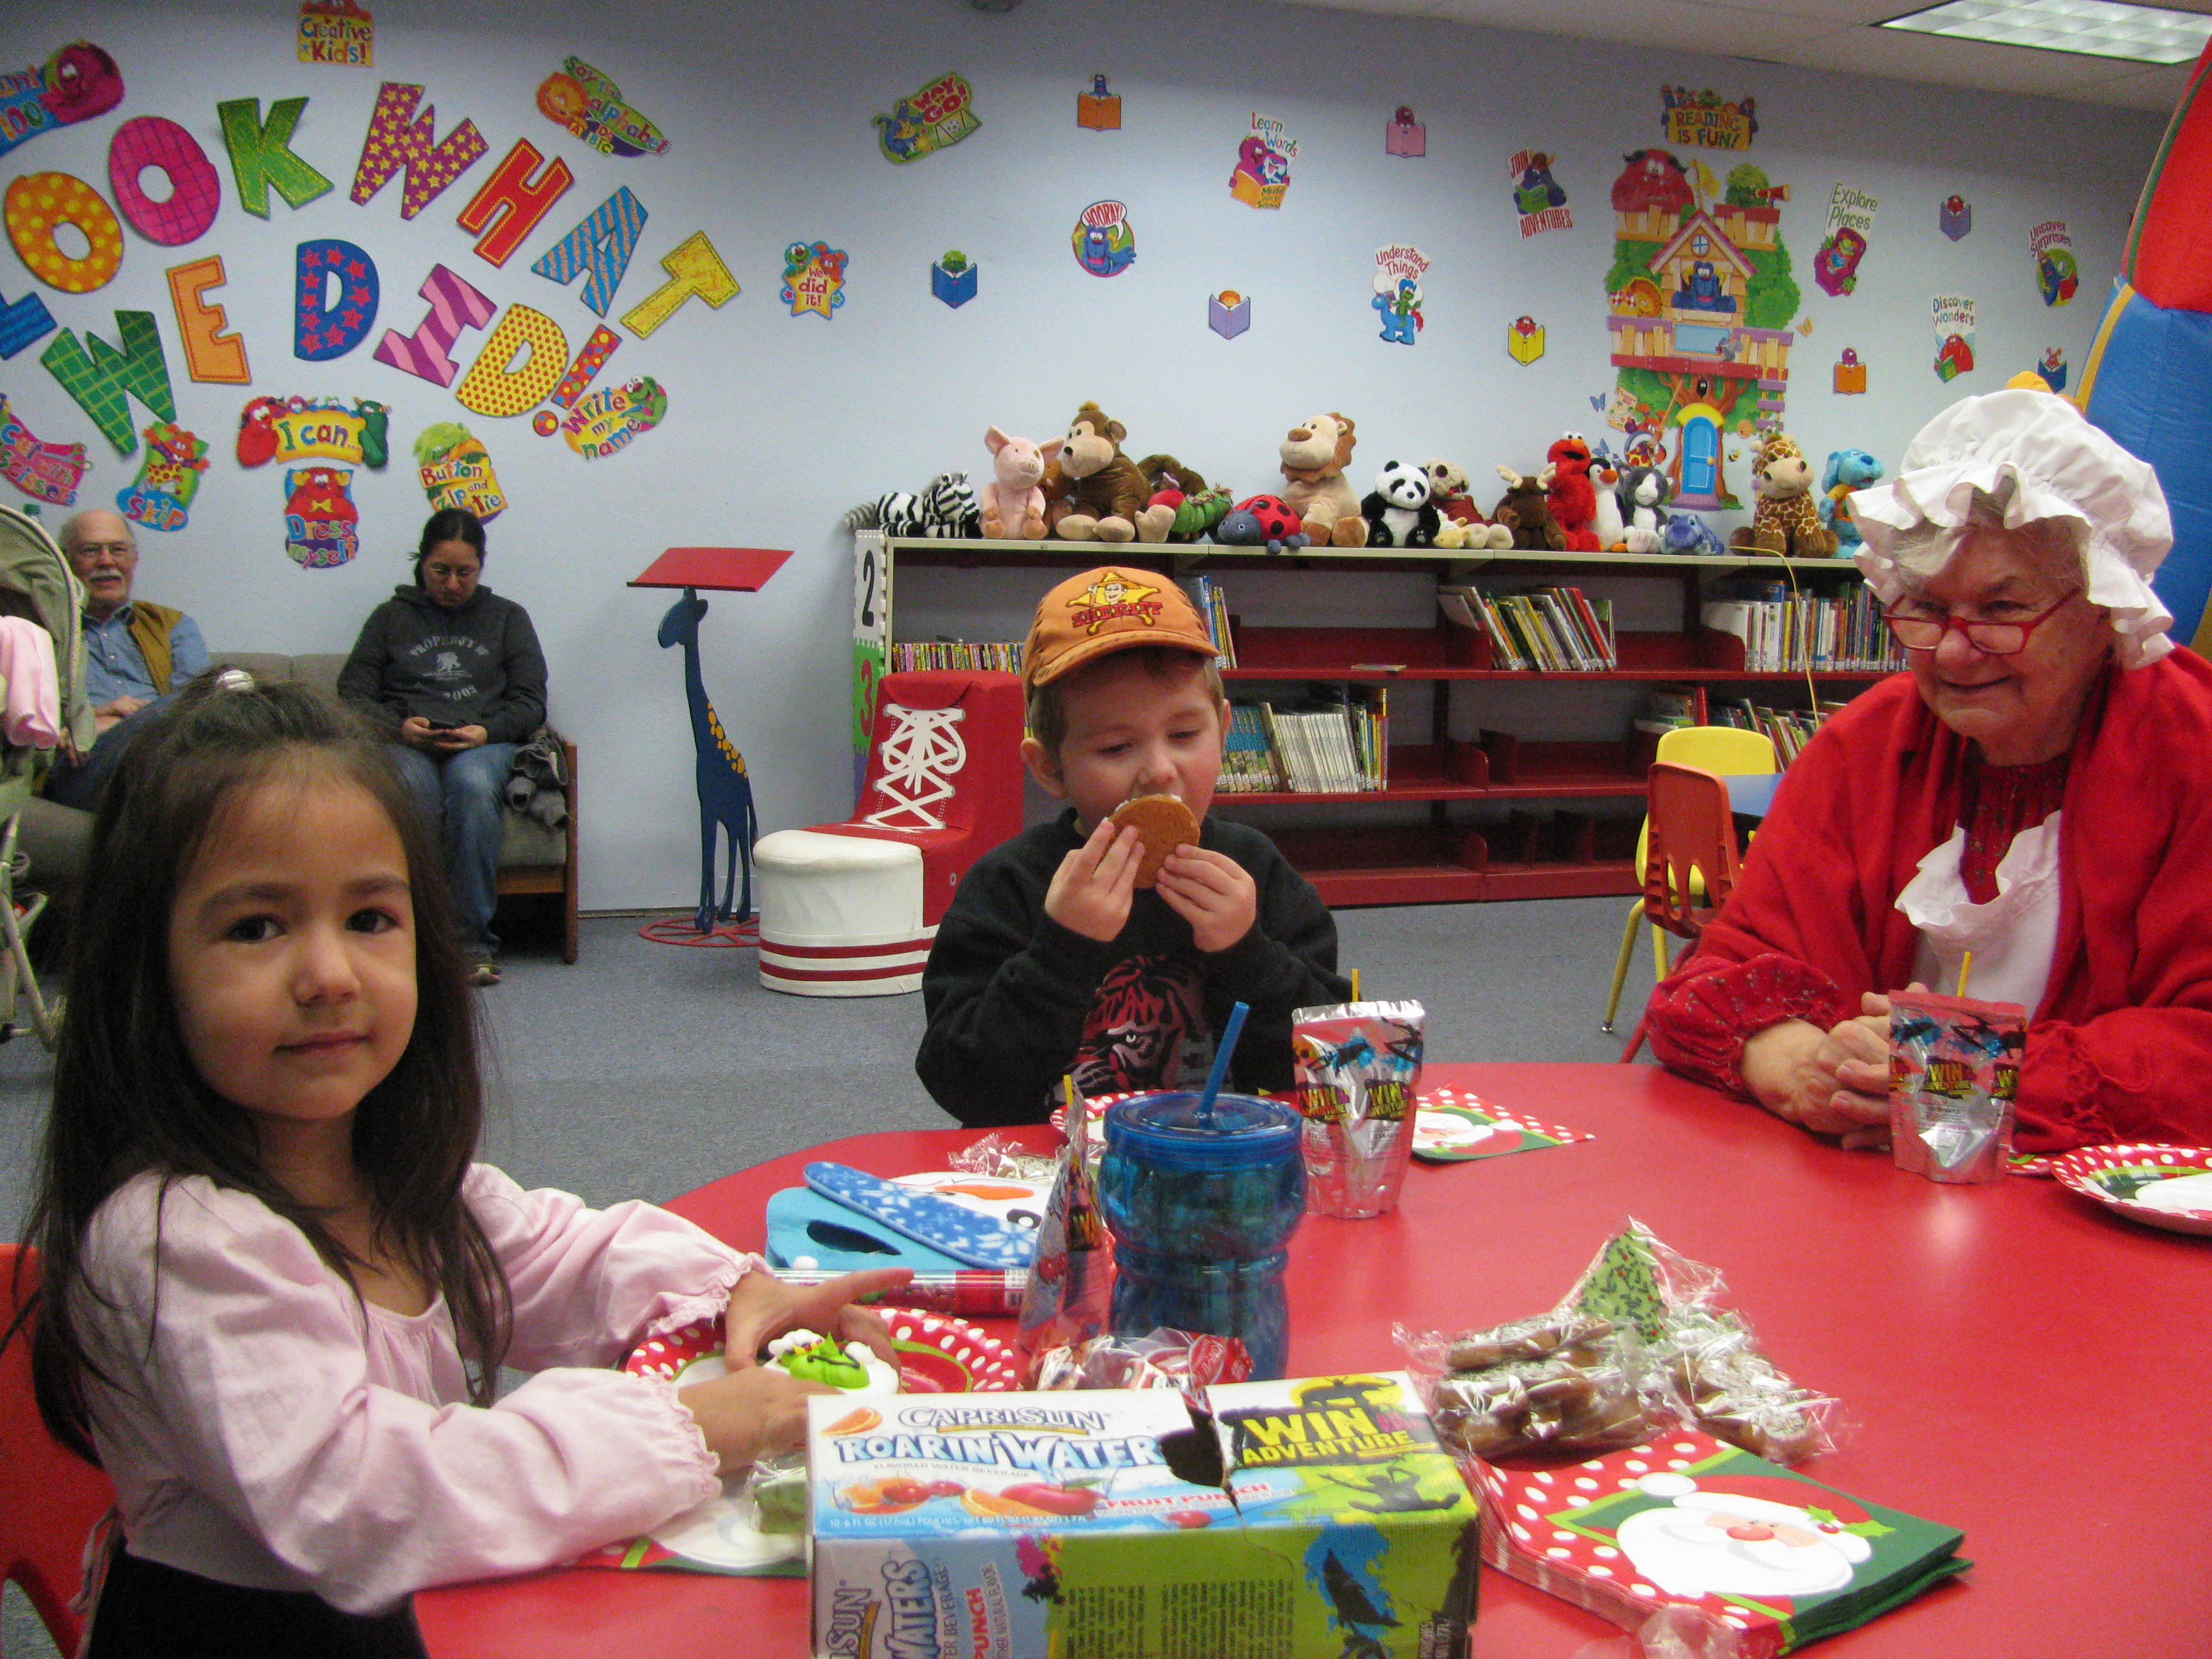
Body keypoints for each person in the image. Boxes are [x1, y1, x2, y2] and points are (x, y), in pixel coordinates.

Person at [11, 675, 904, 1658]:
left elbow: (564, 1254)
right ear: (146, 970)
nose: (329, 975)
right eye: (256, 928)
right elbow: (364, 1497)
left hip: (426, 1612)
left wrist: (731, 1289)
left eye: (370, 919)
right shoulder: (177, 1235)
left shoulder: (394, 1179)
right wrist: (686, 1429)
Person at [1644, 389, 2212, 1154]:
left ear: (2102, 610)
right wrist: (1806, 1069)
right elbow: (1726, 969)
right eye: (1925, 608)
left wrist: (1959, 1074)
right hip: (1864, 1210)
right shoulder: (1867, 745)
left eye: (2002, 609)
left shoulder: (2192, 754)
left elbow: (2196, 1057)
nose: (1950, 650)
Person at [917, 566, 1349, 1126]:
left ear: (1222, 729)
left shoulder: (1256, 870)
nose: (1161, 772)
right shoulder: (1011, 884)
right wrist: (1063, 948)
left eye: (1186, 736)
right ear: (1049, 768)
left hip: (1227, 1169)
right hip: (1057, 1183)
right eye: (1117, 747)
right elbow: (967, 1087)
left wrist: (1246, 950)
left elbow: (1325, 1064)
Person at [338, 509, 546, 986]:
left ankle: (471, 944)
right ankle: (411, 939)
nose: (452, 583)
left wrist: (486, 732)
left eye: (464, 573)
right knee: (412, 787)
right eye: (440, 571)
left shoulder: (508, 618)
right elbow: (353, 695)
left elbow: (531, 701)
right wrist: (399, 728)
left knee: (471, 784)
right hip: (407, 743)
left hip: (480, 745)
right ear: (422, 565)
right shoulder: (390, 618)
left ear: (480, 568)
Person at [44, 506, 209, 809]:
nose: (107, 561)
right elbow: (27, 719)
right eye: (90, 551)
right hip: (82, 763)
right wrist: (93, 718)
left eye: (118, 550)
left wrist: (116, 722)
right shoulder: (42, 629)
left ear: (133, 560)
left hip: (164, 753)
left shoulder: (173, 625)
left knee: (218, 699)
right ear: (66, 563)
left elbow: (196, 708)